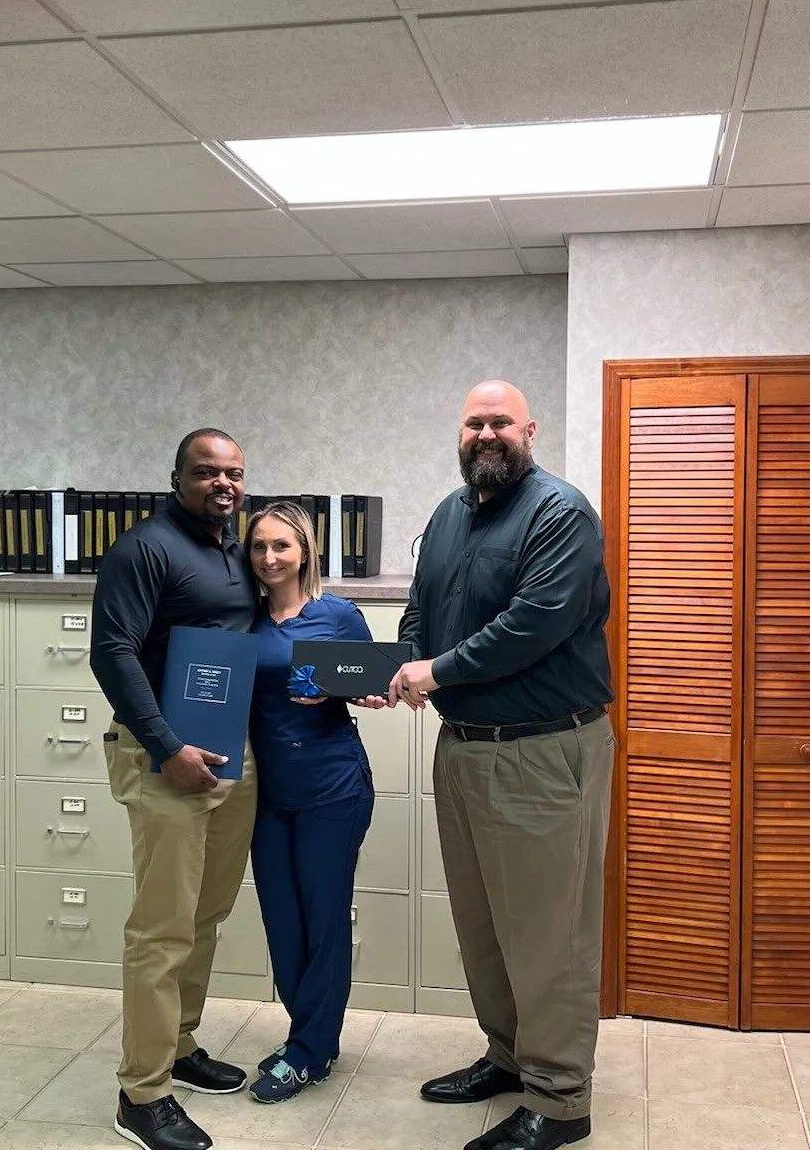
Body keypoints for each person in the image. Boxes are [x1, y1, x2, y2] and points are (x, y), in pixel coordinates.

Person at [387, 381, 615, 1150]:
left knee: (549, 936)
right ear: (460, 433)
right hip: (463, 749)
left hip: (541, 752)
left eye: (501, 423)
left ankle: (560, 1099)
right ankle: (510, 1057)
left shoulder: (559, 513)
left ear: (530, 430)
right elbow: (420, 607)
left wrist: (436, 672)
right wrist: (405, 666)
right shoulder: (448, 515)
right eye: (473, 423)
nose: (486, 434)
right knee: (483, 926)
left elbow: (533, 624)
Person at [91, 428, 258, 1150]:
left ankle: (180, 1044)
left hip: (227, 755)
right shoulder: (144, 549)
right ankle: (142, 1092)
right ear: (177, 479)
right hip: (167, 758)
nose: (223, 484)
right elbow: (112, 652)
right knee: (161, 929)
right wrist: (166, 748)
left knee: (205, 915)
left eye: (234, 473)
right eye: (207, 472)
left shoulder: (235, 549)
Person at [243, 500, 386, 1102]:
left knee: (323, 920)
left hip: (332, 788)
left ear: (305, 551)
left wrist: (350, 691)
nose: (270, 557)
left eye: (282, 545)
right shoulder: (243, 619)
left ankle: (308, 1050)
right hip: (266, 794)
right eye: (259, 546)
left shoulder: (337, 615)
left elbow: (375, 683)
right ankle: (310, 1036)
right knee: (282, 922)